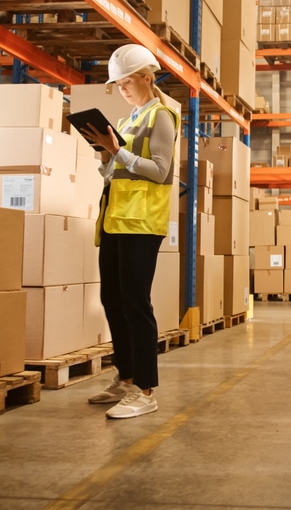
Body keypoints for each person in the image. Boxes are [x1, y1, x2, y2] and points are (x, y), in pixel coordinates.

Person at [79, 44, 179, 419]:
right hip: (115, 220)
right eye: (117, 84)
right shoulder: (125, 122)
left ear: (146, 78)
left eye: (126, 82)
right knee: (113, 301)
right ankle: (126, 376)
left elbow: (160, 171)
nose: (121, 88)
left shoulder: (162, 116)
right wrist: (105, 153)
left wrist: (117, 152)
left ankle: (145, 389)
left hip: (141, 223)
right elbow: (112, 174)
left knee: (136, 303)